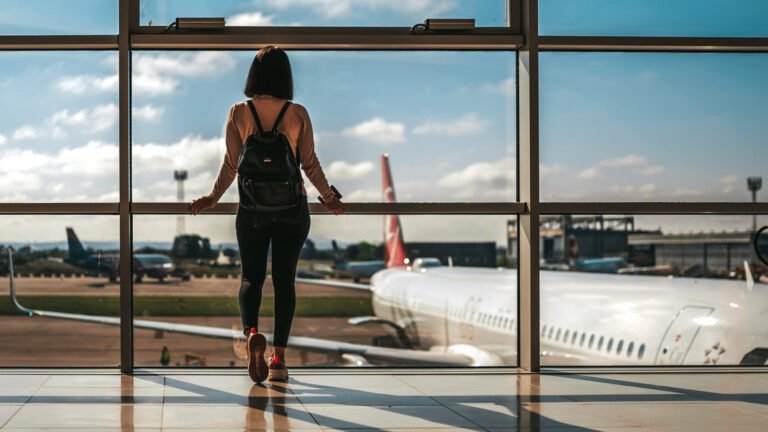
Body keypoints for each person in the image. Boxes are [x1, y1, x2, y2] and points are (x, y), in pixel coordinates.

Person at [189, 46, 344, 383]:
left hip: (252, 210)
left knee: (251, 279)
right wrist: (329, 197)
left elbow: (232, 164)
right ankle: (278, 360)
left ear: (253, 75)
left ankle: (251, 335)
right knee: (285, 282)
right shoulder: (297, 112)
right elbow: (309, 163)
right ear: (286, 75)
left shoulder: (238, 112)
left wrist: (212, 198)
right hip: (292, 209)